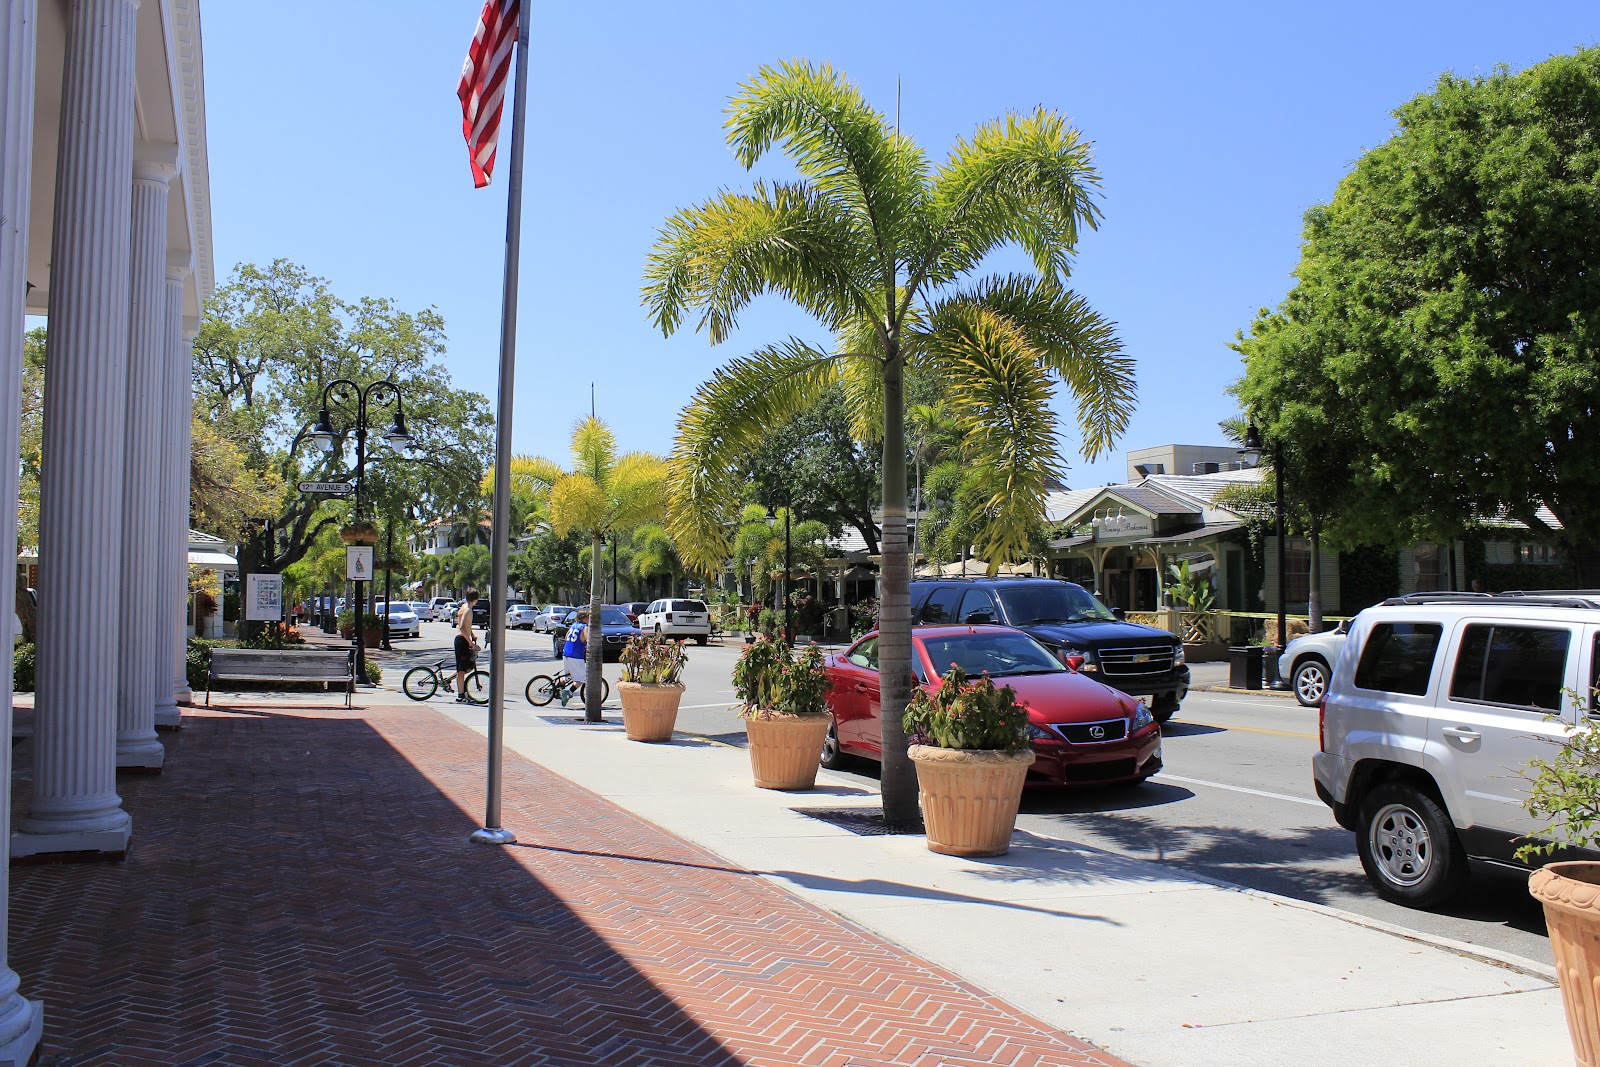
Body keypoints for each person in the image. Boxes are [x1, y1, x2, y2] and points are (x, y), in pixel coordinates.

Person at [453, 588, 480, 703]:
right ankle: (461, 695)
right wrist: (470, 642)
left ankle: (451, 681)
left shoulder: (463, 606)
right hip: (462, 641)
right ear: (476, 599)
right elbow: (462, 627)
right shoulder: (468, 610)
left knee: (467, 666)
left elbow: (464, 625)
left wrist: (472, 634)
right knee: (461, 671)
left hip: (462, 639)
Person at [561, 608, 589, 707]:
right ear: (585, 618)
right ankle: (569, 692)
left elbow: (566, 637)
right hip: (576, 655)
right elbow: (587, 639)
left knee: (568, 676)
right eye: (588, 617)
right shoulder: (584, 627)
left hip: (566, 652)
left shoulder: (574, 626)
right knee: (581, 678)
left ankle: (558, 688)